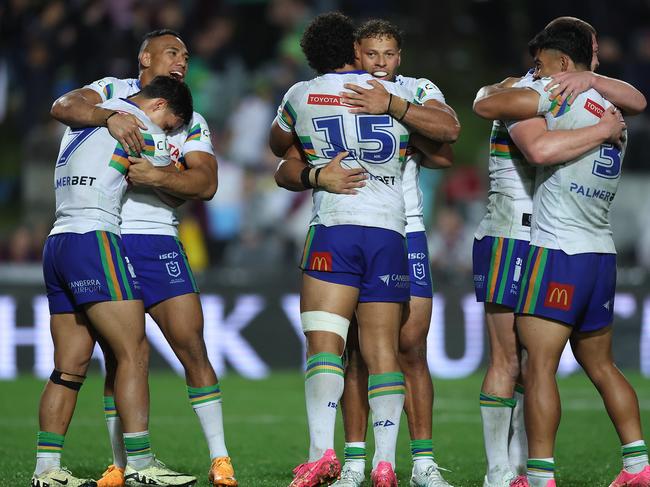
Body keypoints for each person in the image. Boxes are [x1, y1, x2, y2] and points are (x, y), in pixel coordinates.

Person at [276, 18, 459, 487]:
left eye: (389, 54)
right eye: (371, 53)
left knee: (408, 345)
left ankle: (418, 460)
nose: (380, 62)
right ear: (356, 52)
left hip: (401, 226)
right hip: (387, 229)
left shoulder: (412, 88)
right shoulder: (365, 91)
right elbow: (440, 152)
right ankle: (361, 459)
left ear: (399, 55)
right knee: (365, 350)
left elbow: (446, 145)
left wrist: (394, 108)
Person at [49, 30, 236, 487]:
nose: (182, 62)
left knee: (191, 347)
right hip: (105, 237)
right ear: (145, 57)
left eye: (187, 56)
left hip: (156, 240)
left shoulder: (189, 118)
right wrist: (109, 117)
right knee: (120, 356)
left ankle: (220, 458)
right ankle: (123, 464)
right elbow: (63, 107)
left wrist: (158, 176)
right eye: (173, 53)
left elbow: (205, 183)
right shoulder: (110, 90)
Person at [471, 17, 647, 487]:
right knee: (602, 365)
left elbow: (490, 107)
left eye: (542, 66)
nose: (537, 73)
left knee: (538, 367)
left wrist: (519, 86)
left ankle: (539, 475)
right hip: (602, 253)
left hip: (557, 250)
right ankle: (638, 465)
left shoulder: (555, 95)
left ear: (562, 64)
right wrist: (599, 115)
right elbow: (639, 98)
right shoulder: (614, 112)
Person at [33, 75, 195, 487]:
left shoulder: (87, 115)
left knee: (69, 366)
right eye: (172, 124)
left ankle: (46, 469)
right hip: (95, 238)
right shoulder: (139, 124)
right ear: (158, 107)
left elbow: (61, 105)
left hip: (58, 242)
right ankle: (141, 465)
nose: (169, 132)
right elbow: (184, 189)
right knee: (133, 351)